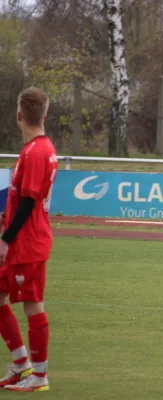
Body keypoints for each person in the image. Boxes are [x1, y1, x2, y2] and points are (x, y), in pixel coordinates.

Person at [0, 88, 58, 391]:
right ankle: (22, 365)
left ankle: (39, 375)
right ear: (44, 115)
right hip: (19, 243)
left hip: (27, 244)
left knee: (33, 305)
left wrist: (6, 239)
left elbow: (29, 202)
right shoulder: (34, 148)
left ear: (19, 115)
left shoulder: (37, 152)